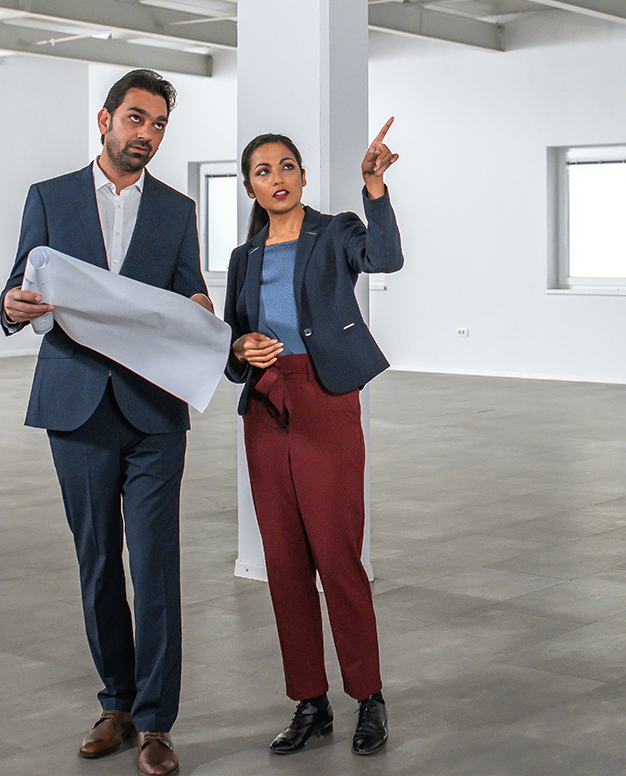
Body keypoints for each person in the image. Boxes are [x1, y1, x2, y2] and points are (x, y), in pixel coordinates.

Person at [0, 69, 212, 776]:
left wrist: (200, 307)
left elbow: (189, 287)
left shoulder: (178, 211)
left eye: (157, 126)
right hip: (77, 403)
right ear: (105, 119)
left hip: (154, 409)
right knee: (97, 566)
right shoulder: (50, 198)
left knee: (155, 568)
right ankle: (116, 705)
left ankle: (155, 723)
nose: (145, 135)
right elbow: (16, 285)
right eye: (136, 120)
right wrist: (11, 306)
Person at [223, 119, 403, 756]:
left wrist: (374, 187)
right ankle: (309, 702)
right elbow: (232, 342)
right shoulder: (244, 257)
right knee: (284, 563)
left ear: (302, 175)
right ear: (249, 187)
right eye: (263, 171)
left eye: (287, 167)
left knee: (336, 552)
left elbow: (385, 258)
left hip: (326, 399)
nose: (277, 179)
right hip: (265, 409)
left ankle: (369, 696)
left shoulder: (336, 233)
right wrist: (242, 347)